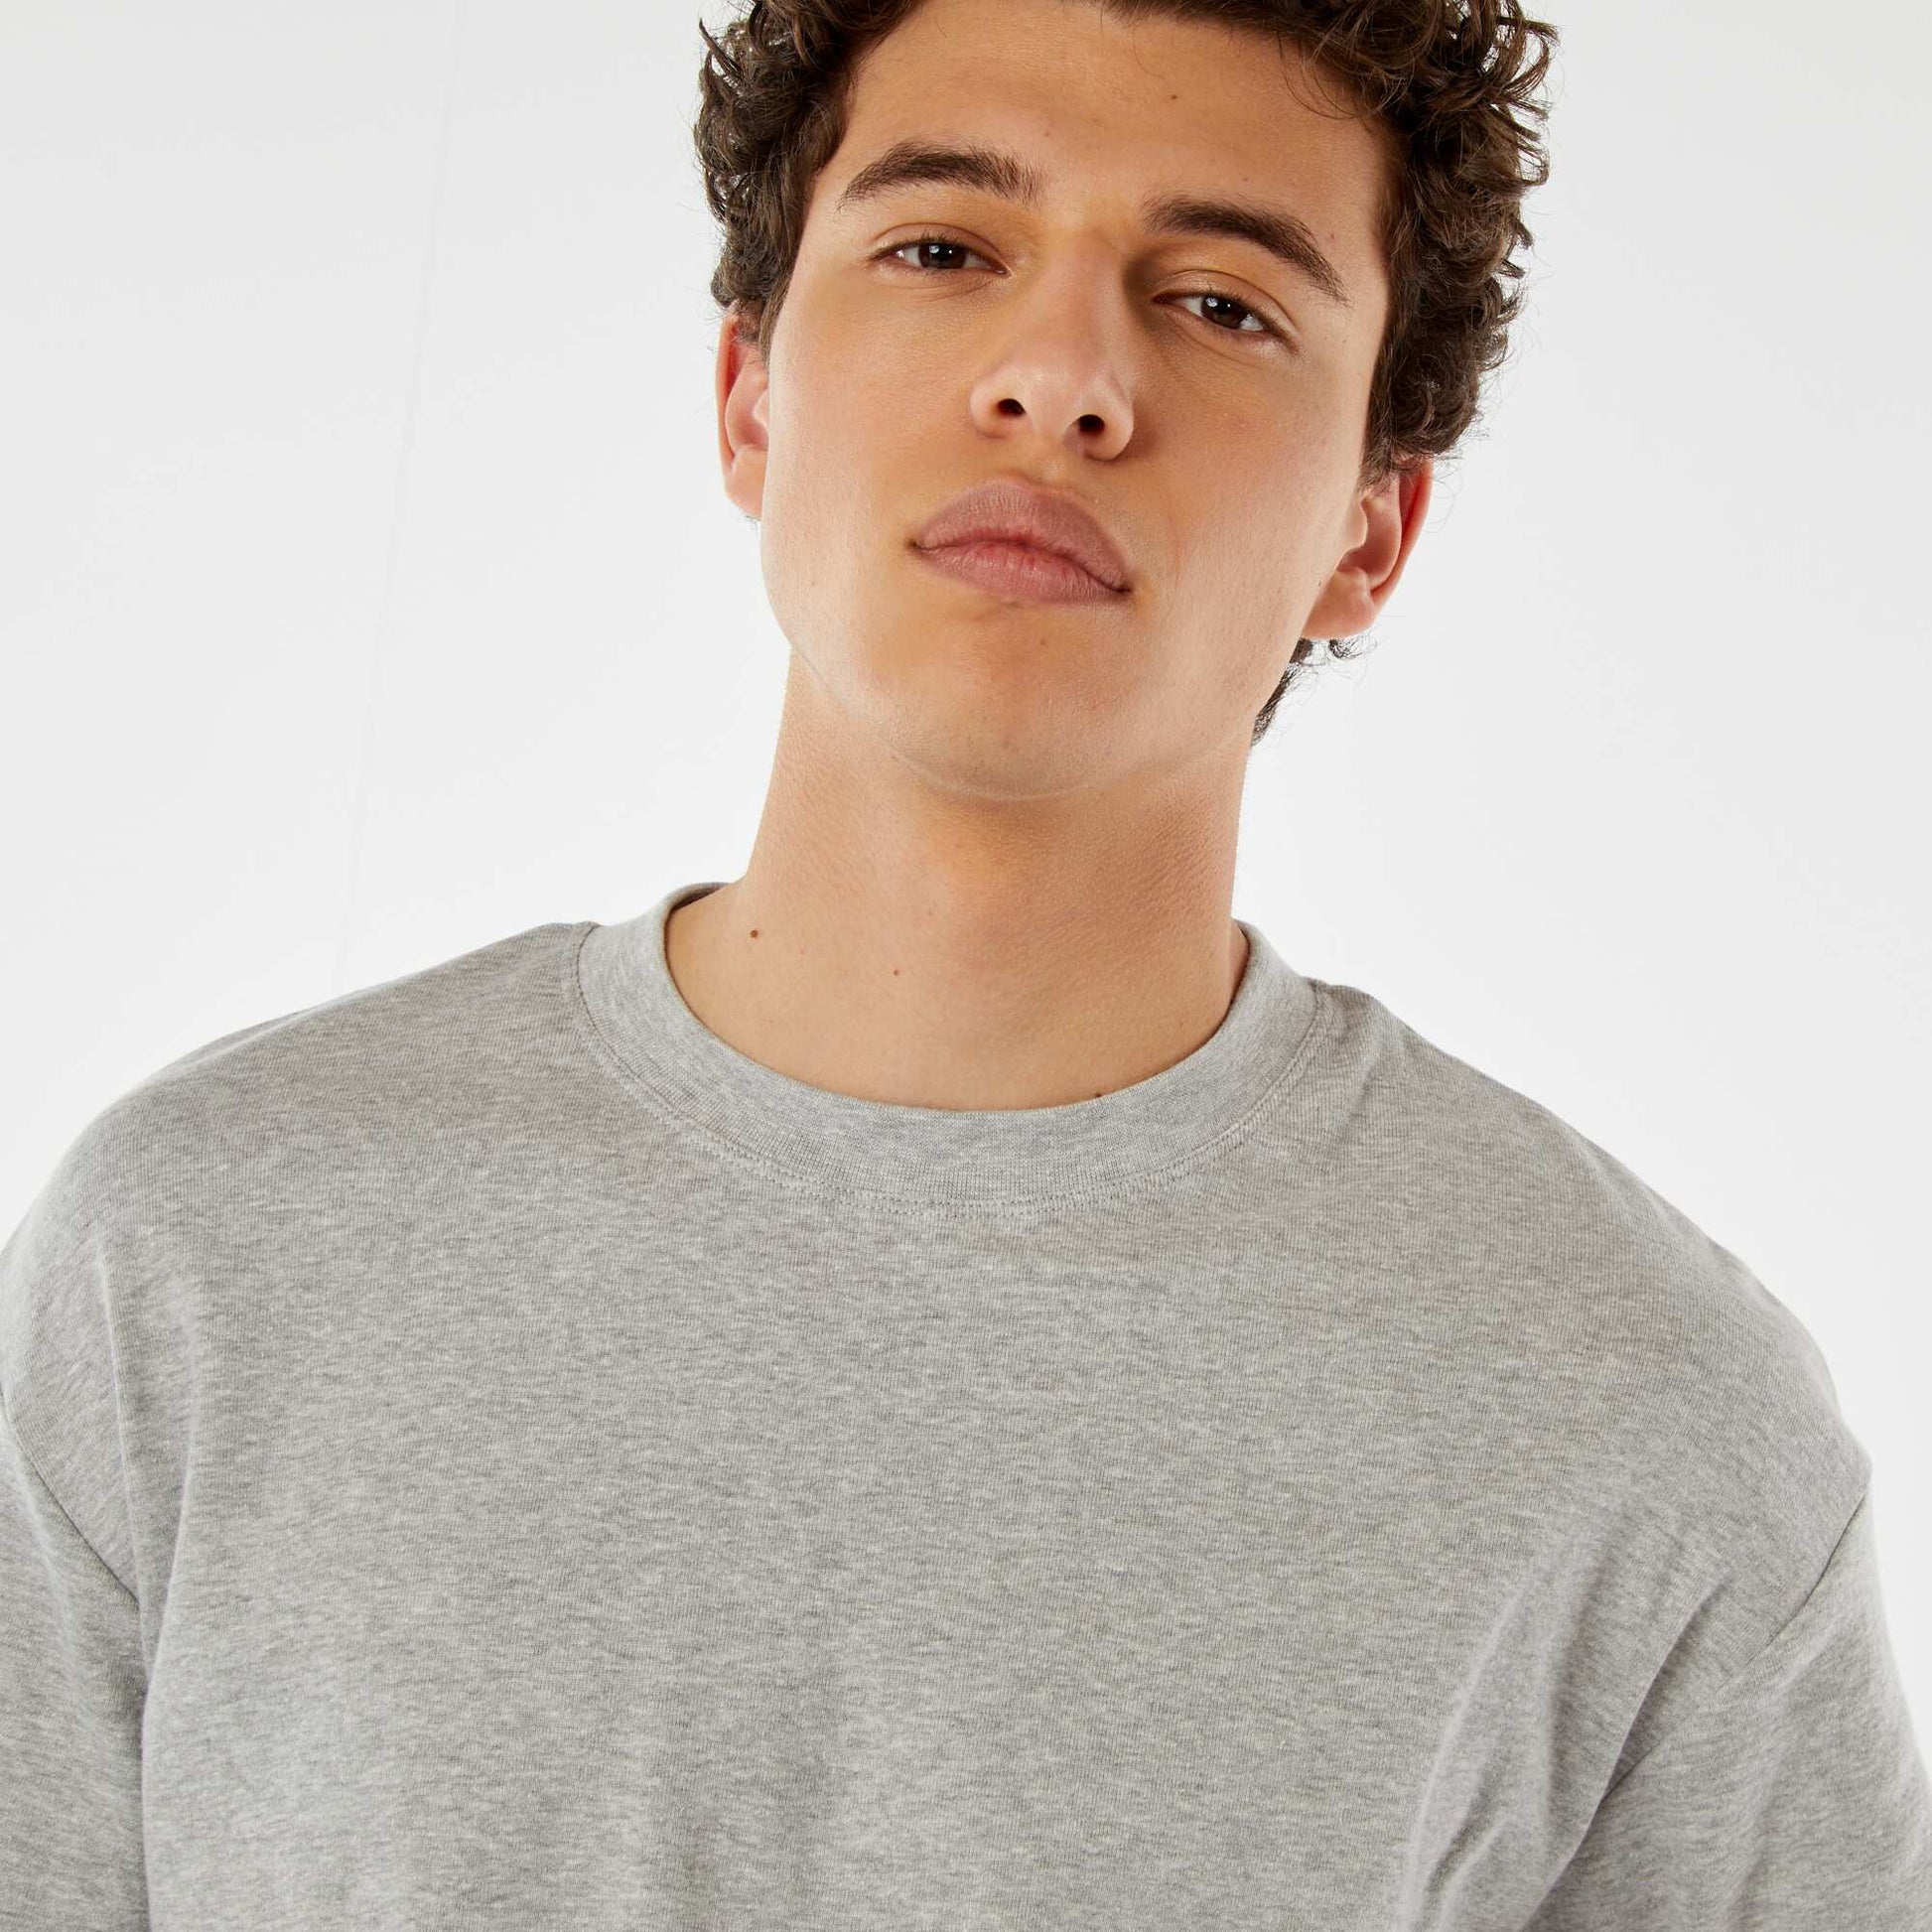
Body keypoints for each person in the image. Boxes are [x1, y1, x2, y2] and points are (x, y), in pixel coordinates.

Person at [5, 0, 1928, 1924]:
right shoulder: (197, 1258)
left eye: (1221, 302)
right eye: (941, 248)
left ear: (1373, 527)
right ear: (749, 400)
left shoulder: (1651, 1428)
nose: (1062, 378)